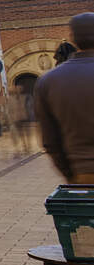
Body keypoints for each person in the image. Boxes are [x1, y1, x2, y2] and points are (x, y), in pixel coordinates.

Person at [35, 13, 94, 180]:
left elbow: (50, 142)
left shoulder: (48, 80)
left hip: (83, 173)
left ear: (73, 38)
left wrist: (71, 176)